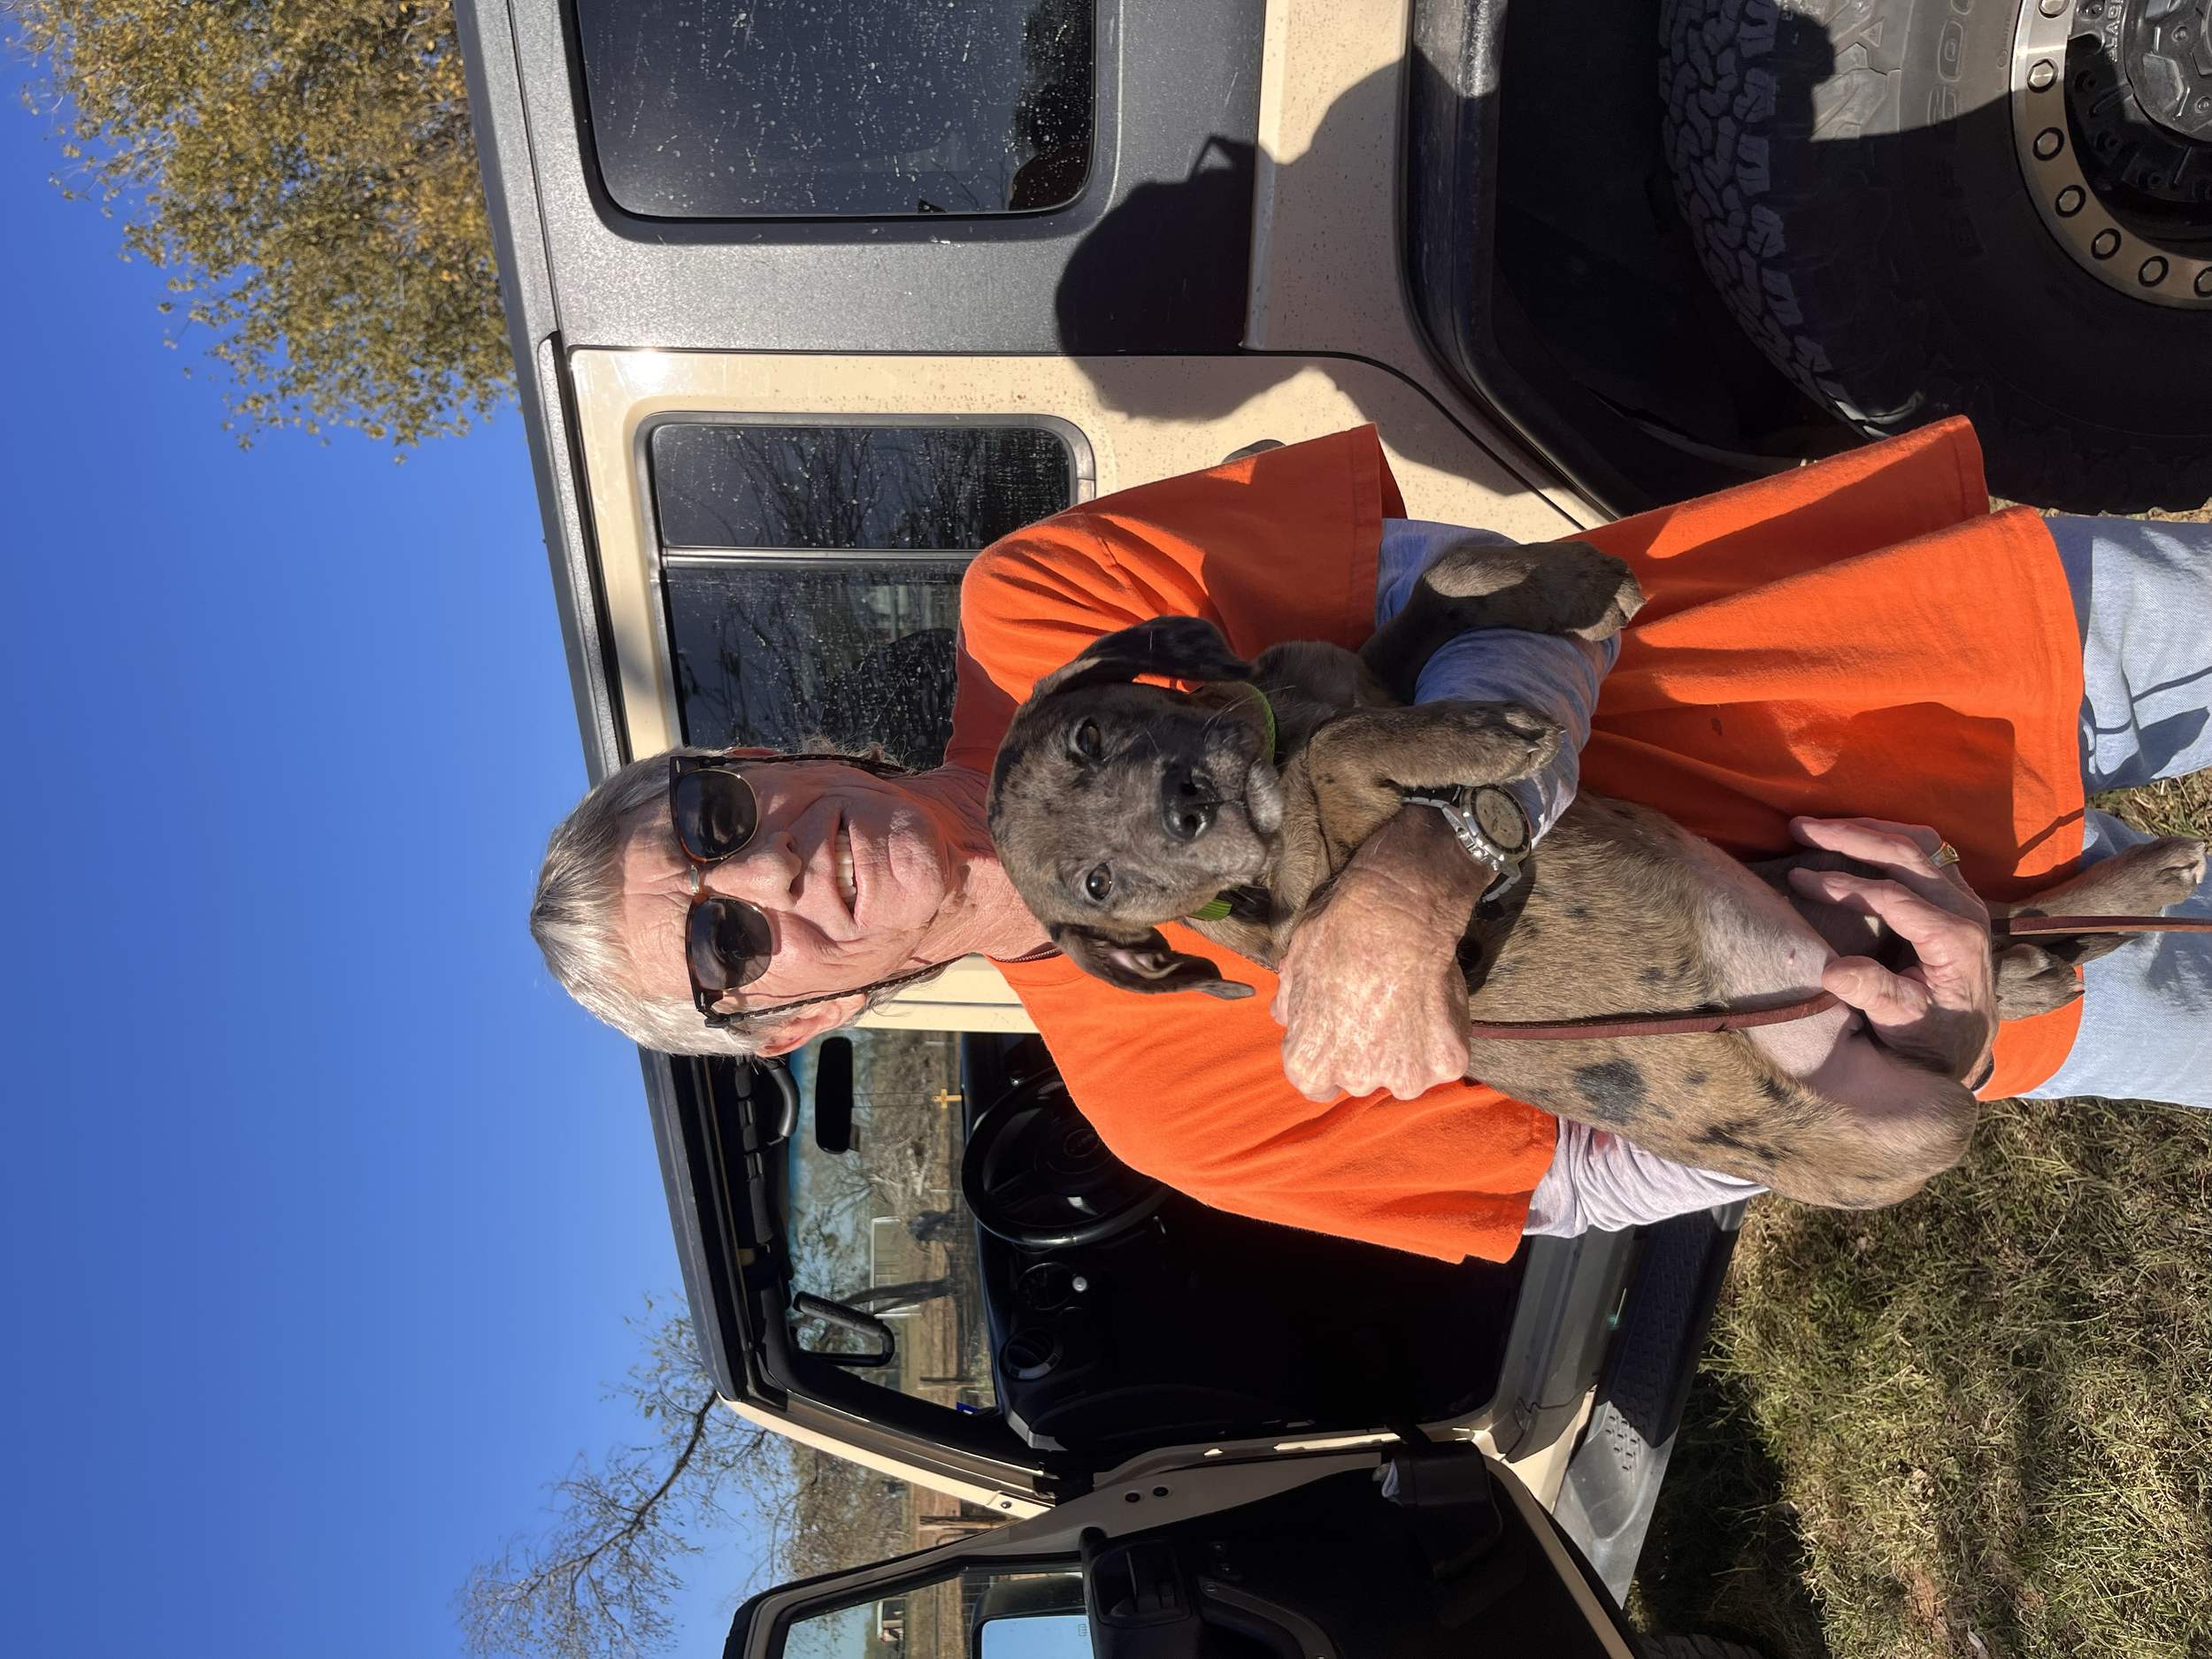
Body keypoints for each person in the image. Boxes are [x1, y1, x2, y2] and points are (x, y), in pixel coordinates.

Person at [531, 419, 2211, 1260]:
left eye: (712, 816)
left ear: (762, 752)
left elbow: (1476, 577)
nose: (766, 874)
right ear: (800, 1019)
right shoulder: (1162, 1109)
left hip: (1917, 652)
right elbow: (1583, 1173)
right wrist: (1898, 1032)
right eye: (726, 942)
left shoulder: (1039, 606)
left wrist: (1434, 855)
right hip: (1989, 973)